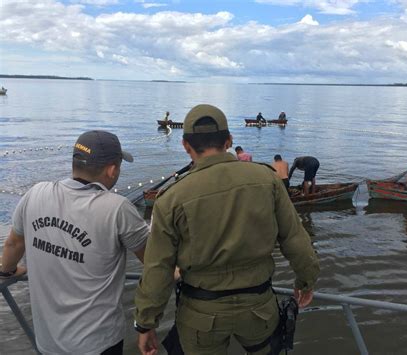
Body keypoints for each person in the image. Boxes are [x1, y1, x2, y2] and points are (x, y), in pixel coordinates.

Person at [134, 104, 319, 355]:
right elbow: (295, 240)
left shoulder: (170, 198)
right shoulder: (268, 181)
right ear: (229, 140)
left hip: (200, 315)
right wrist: (306, 281)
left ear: (186, 146)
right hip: (259, 308)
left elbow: (158, 267)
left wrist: (146, 323)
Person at [0, 130, 149, 354]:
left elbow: (13, 244)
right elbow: (154, 261)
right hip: (98, 345)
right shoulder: (117, 208)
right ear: (112, 169)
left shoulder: (35, 193)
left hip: (47, 342)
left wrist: (8, 271)